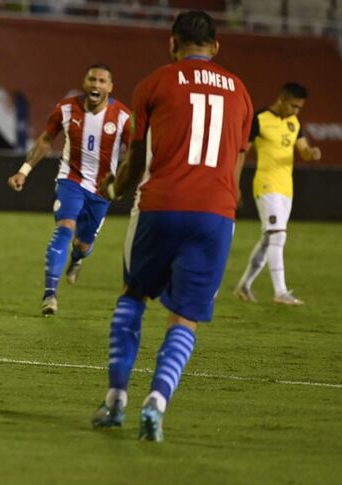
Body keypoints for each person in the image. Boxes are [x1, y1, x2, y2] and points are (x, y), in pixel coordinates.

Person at [90, 10, 253, 442]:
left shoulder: (155, 83)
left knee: (134, 295)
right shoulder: (240, 91)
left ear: (171, 43)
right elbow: (238, 164)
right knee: (185, 317)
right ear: (216, 47)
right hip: (216, 213)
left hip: (161, 205)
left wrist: (112, 189)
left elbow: (137, 160)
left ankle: (115, 400)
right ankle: (157, 402)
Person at [7, 64, 131, 316]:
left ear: (110, 87)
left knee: (83, 244)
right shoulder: (66, 108)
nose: (96, 84)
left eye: (102, 81)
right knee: (64, 228)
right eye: (92, 79)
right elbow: (45, 140)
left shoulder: (123, 117)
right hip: (70, 180)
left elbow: (135, 153)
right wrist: (24, 170)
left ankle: (78, 257)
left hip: (102, 190)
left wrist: (121, 182)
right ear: (85, 82)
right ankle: (49, 294)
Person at [234, 83, 321, 305]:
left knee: (268, 239)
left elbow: (302, 150)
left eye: (299, 107)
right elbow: (242, 151)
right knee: (277, 235)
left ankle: (244, 286)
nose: (296, 111)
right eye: (293, 106)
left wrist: (311, 154)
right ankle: (280, 292)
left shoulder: (294, 123)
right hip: (266, 185)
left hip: (286, 189)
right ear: (281, 99)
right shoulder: (260, 118)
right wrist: (233, 183)